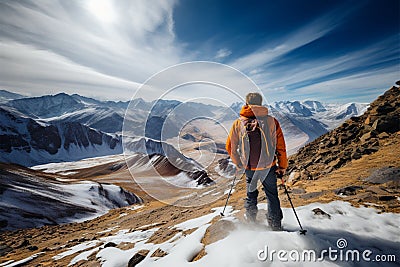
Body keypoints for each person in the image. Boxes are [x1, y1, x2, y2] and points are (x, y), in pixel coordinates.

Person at [226, 92, 288, 230]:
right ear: (260, 103)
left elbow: (230, 146)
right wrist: (282, 166)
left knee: (251, 195)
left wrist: (238, 163)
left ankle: (252, 224)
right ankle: (275, 225)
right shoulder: (272, 121)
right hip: (269, 166)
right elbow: (281, 147)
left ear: (246, 103)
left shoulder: (238, 123)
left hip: (249, 167)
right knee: (272, 196)